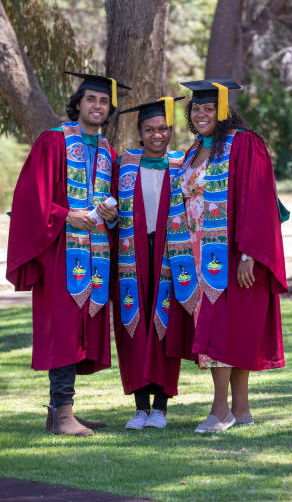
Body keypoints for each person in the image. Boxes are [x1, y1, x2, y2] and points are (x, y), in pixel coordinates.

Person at [6, 72, 129, 436]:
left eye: (104, 102)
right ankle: (62, 416)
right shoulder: (53, 141)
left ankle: (62, 410)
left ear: (109, 110)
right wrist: (65, 214)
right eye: (91, 100)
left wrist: (112, 212)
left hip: (97, 253)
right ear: (78, 104)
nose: (97, 106)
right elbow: (30, 198)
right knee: (62, 328)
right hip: (62, 249)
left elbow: (113, 202)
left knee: (79, 329)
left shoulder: (107, 150)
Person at [166, 79, 287, 433]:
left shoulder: (243, 144)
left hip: (228, 253)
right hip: (194, 253)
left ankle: (221, 411)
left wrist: (249, 252)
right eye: (196, 109)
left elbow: (258, 197)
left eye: (208, 109)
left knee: (223, 329)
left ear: (222, 111)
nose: (202, 114)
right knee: (221, 327)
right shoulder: (195, 150)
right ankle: (241, 410)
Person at [113, 96, 195, 430]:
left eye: (162, 129)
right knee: (135, 321)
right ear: (140, 131)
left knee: (166, 322)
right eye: (150, 129)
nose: (157, 135)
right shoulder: (125, 165)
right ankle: (139, 407)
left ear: (171, 130)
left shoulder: (182, 165)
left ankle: (160, 407)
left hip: (170, 254)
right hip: (132, 253)